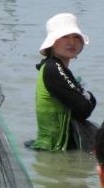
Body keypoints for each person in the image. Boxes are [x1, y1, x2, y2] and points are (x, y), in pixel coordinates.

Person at [29, 13, 97, 151]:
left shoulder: (55, 67)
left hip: (57, 150)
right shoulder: (53, 69)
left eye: (76, 37)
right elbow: (84, 109)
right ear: (52, 43)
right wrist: (89, 96)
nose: (72, 42)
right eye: (64, 37)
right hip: (54, 150)